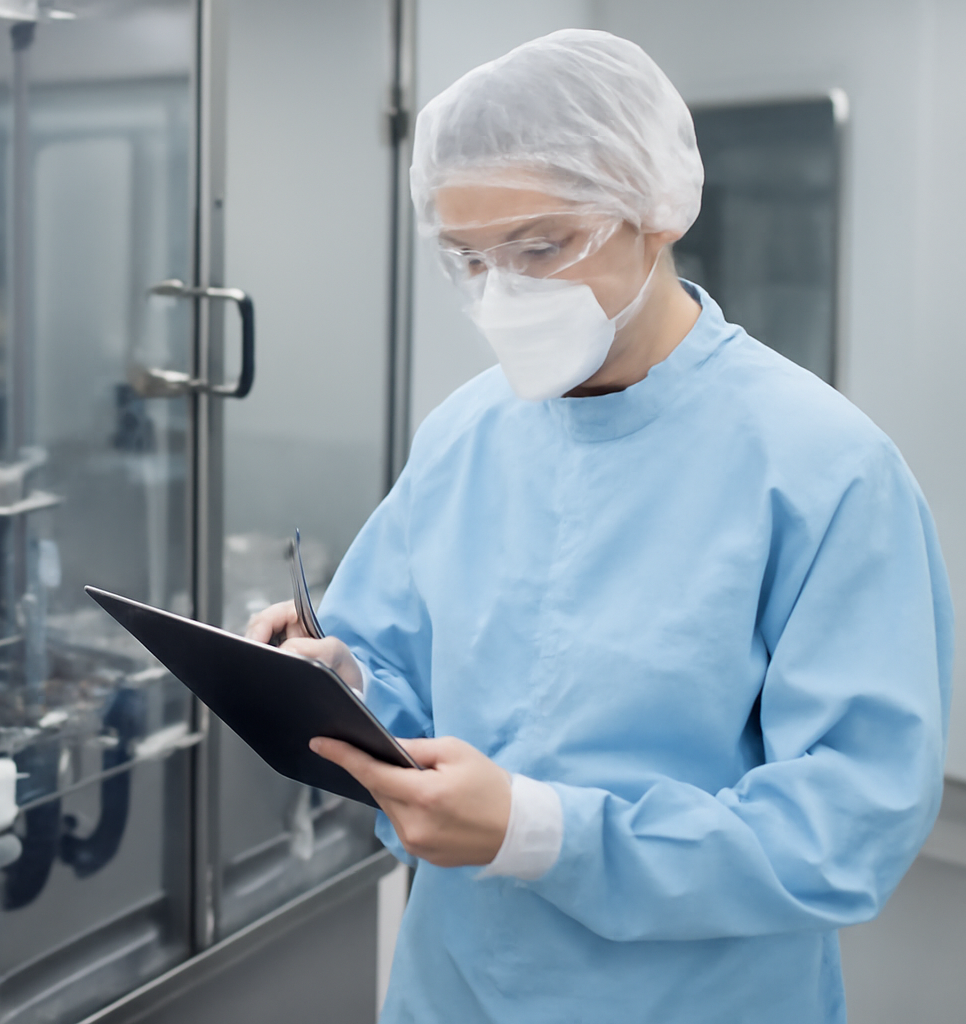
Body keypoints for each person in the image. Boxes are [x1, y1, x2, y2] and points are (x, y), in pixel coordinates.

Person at [246, 28, 952, 1024]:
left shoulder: (823, 468)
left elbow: (847, 824)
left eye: (541, 247)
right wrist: (334, 683)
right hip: (456, 989)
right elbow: (399, 689)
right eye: (471, 261)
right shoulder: (465, 435)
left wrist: (541, 832)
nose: (507, 294)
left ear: (655, 209)